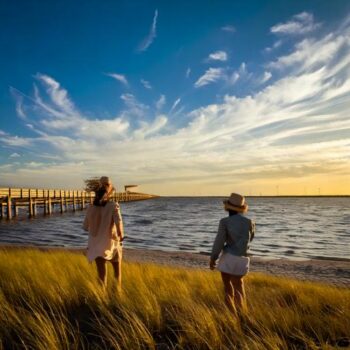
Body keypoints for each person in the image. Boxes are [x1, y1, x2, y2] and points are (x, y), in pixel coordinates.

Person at [210, 193, 255, 313]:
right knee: (239, 286)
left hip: (229, 257)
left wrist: (213, 258)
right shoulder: (249, 222)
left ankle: (231, 315)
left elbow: (219, 241)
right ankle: (242, 312)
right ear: (241, 208)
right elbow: (250, 239)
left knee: (228, 287)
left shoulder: (224, 222)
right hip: (243, 259)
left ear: (227, 207)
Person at [83, 176, 124, 291]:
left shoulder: (91, 208)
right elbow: (119, 225)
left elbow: (85, 227)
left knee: (102, 276)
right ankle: (117, 296)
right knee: (117, 274)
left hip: (95, 245)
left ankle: (101, 299)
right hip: (111, 243)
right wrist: (121, 237)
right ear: (110, 190)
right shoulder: (113, 206)